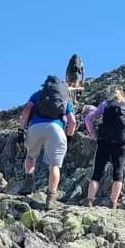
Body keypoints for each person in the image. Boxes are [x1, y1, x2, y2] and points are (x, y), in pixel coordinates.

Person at [19, 76, 77, 209]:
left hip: (35, 127)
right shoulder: (65, 98)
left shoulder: (37, 95)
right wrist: (69, 137)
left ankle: (29, 181)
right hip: (56, 129)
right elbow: (72, 121)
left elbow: (26, 111)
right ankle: (51, 198)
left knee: (30, 156)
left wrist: (21, 130)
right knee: (54, 166)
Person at [83, 90, 125, 209]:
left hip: (104, 141)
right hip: (120, 143)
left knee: (97, 172)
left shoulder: (105, 104)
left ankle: (89, 200)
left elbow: (88, 118)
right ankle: (113, 202)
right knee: (118, 173)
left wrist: (93, 134)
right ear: (122, 96)